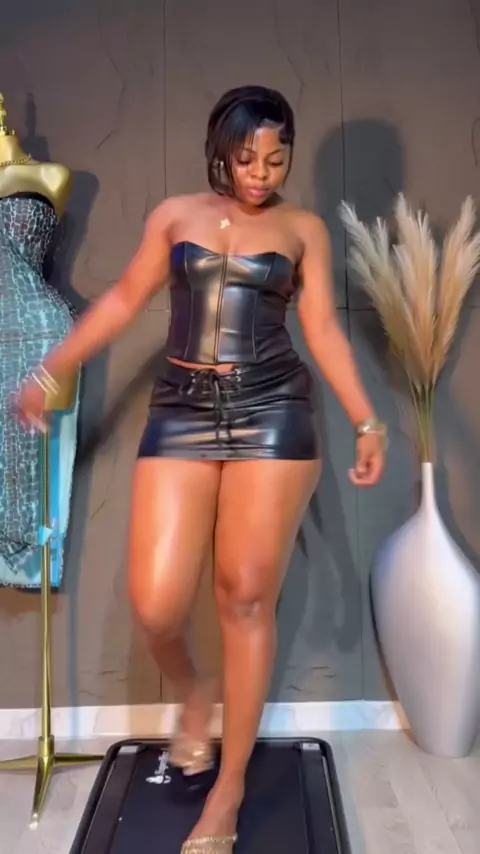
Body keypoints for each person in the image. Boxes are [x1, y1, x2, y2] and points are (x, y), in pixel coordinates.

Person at [16, 85, 386, 853]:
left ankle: (229, 789)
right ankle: (194, 693)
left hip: (274, 410)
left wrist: (366, 419)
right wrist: (53, 369)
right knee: (155, 603)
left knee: (244, 596)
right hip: (182, 408)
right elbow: (124, 299)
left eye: (277, 159)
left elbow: (322, 329)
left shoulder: (303, 229)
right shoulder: (175, 216)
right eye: (247, 158)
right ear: (220, 151)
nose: (262, 174)